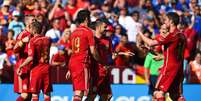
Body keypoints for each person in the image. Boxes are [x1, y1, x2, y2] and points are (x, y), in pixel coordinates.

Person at [138, 12, 186, 101]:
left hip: (169, 68)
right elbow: (173, 53)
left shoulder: (171, 35)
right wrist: (162, 56)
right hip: (179, 69)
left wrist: (140, 33)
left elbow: (151, 43)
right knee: (176, 96)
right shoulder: (182, 36)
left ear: (171, 22)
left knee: (158, 92)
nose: (164, 22)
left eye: (166, 20)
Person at [66, 9, 108, 101]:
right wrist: (101, 61)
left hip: (73, 63)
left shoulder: (73, 33)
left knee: (79, 92)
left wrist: (69, 68)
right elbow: (93, 51)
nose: (89, 20)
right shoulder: (88, 32)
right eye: (89, 18)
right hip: (82, 63)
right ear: (86, 19)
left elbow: (72, 51)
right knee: (80, 92)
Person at [18, 21, 52, 101]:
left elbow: (31, 58)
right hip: (47, 68)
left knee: (35, 95)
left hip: (37, 69)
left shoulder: (33, 41)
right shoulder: (48, 40)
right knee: (47, 94)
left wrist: (21, 65)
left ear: (33, 30)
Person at [86, 20, 113, 101]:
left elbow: (110, 55)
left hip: (105, 71)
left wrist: (115, 56)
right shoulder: (92, 39)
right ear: (98, 27)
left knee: (107, 96)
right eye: (104, 27)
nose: (106, 29)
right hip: (95, 71)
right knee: (92, 96)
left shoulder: (108, 40)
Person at [13, 15, 35, 101]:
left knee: (29, 96)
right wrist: (22, 41)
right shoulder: (22, 34)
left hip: (32, 67)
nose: (34, 21)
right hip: (23, 66)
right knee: (25, 94)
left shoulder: (34, 35)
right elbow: (15, 49)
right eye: (32, 20)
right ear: (27, 22)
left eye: (35, 20)